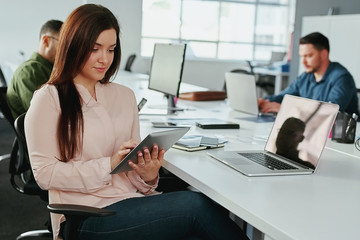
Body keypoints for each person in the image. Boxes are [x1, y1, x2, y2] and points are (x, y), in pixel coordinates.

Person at [25, 4, 248, 240]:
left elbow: (132, 174)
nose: (105, 59)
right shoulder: (48, 99)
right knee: (195, 206)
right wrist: (108, 164)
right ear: (73, 46)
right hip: (87, 214)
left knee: (201, 227)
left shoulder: (124, 95)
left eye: (111, 49)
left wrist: (148, 175)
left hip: (131, 204)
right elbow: (45, 175)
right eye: (95, 48)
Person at [258, 32, 359, 116]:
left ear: (324, 54)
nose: (303, 62)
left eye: (308, 56)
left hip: (342, 136)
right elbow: (284, 96)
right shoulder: (307, 76)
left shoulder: (342, 78)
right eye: (302, 56)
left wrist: (286, 108)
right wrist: (264, 101)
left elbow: (329, 112)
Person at [7, 19, 63, 119]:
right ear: (46, 41)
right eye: (63, 44)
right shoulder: (29, 71)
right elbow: (45, 116)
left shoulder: (51, 69)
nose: (67, 51)